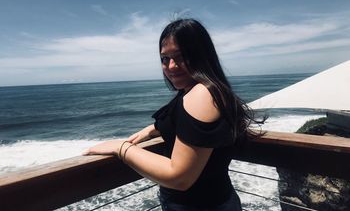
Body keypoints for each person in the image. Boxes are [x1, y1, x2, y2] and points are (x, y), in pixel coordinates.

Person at [84, 18, 261, 210]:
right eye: (164, 59)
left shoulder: (201, 94)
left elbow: (179, 177)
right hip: (219, 200)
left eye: (180, 56)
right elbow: (186, 124)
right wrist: (153, 129)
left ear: (201, 55)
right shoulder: (207, 90)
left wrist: (122, 148)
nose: (171, 66)